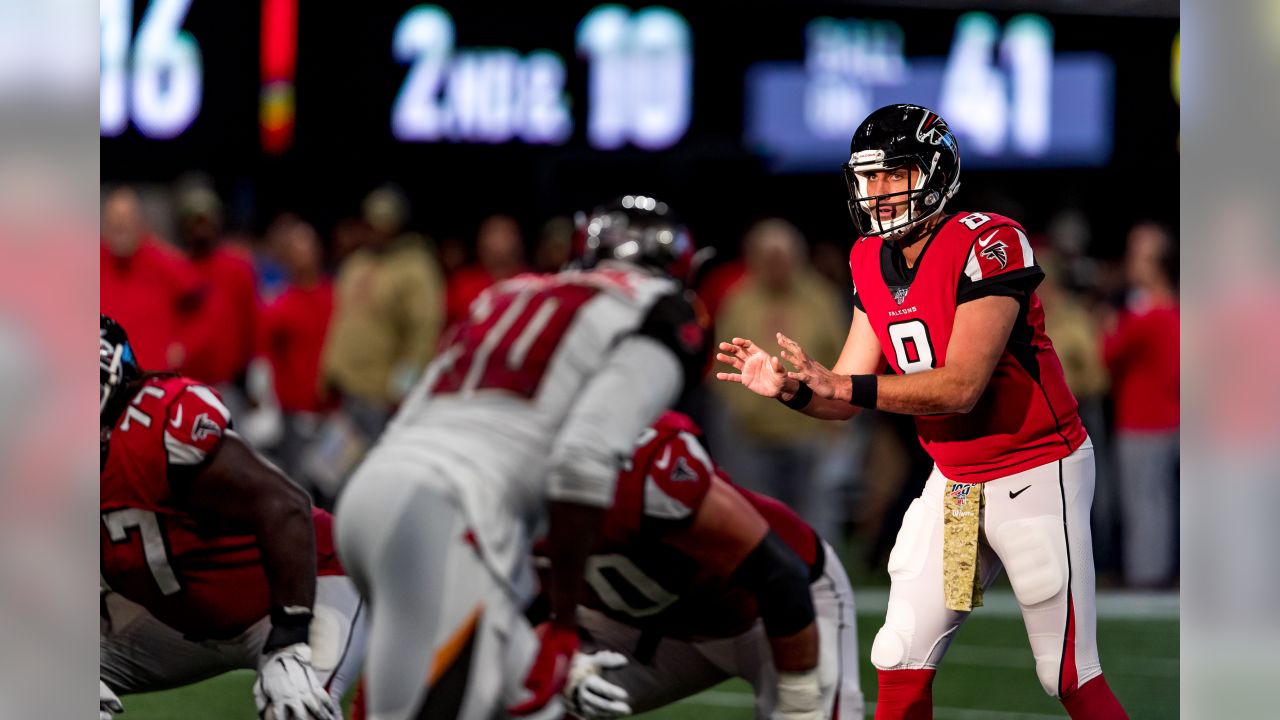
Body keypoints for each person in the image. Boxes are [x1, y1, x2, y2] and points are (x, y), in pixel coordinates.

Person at [714, 104, 1128, 719]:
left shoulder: (990, 241)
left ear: (936, 172)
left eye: (894, 173)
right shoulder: (866, 259)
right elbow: (846, 394)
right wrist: (794, 390)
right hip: (959, 488)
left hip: (1034, 472)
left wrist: (839, 387)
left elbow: (960, 387)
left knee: (1066, 671)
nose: (878, 191)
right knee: (901, 652)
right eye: (870, 176)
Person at [333, 195, 709, 720]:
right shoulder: (660, 309)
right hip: (452, 516)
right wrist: (562, 620)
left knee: (531, 709)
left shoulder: (509, 292)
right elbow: (583, 460)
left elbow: (416, 409)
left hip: (377, 494)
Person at [99, 315, 367, 720]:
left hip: (301, 591)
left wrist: (290, 643)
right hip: (186, 619)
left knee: (296, 709)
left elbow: (285, 505)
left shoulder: (155, 426)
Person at [539, 411, 864, 720]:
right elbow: (512, 609)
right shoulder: (498, 495)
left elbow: (780, 575)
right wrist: (562, 661)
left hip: (773, 612)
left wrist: (799, 701)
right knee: (515, 690)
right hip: (641, 626)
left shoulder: (643, 468)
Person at [1104, 221, 1179, 589]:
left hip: (1146, 421)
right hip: (1162, 417)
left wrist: (1110, 325)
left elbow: (1109, 353)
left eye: (1141, 256)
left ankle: (1147, 575)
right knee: (1156, 500)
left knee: (1145, 501)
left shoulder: (1150, 313)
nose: (1132, 263)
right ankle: (1153, 571)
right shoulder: (1163, 310)